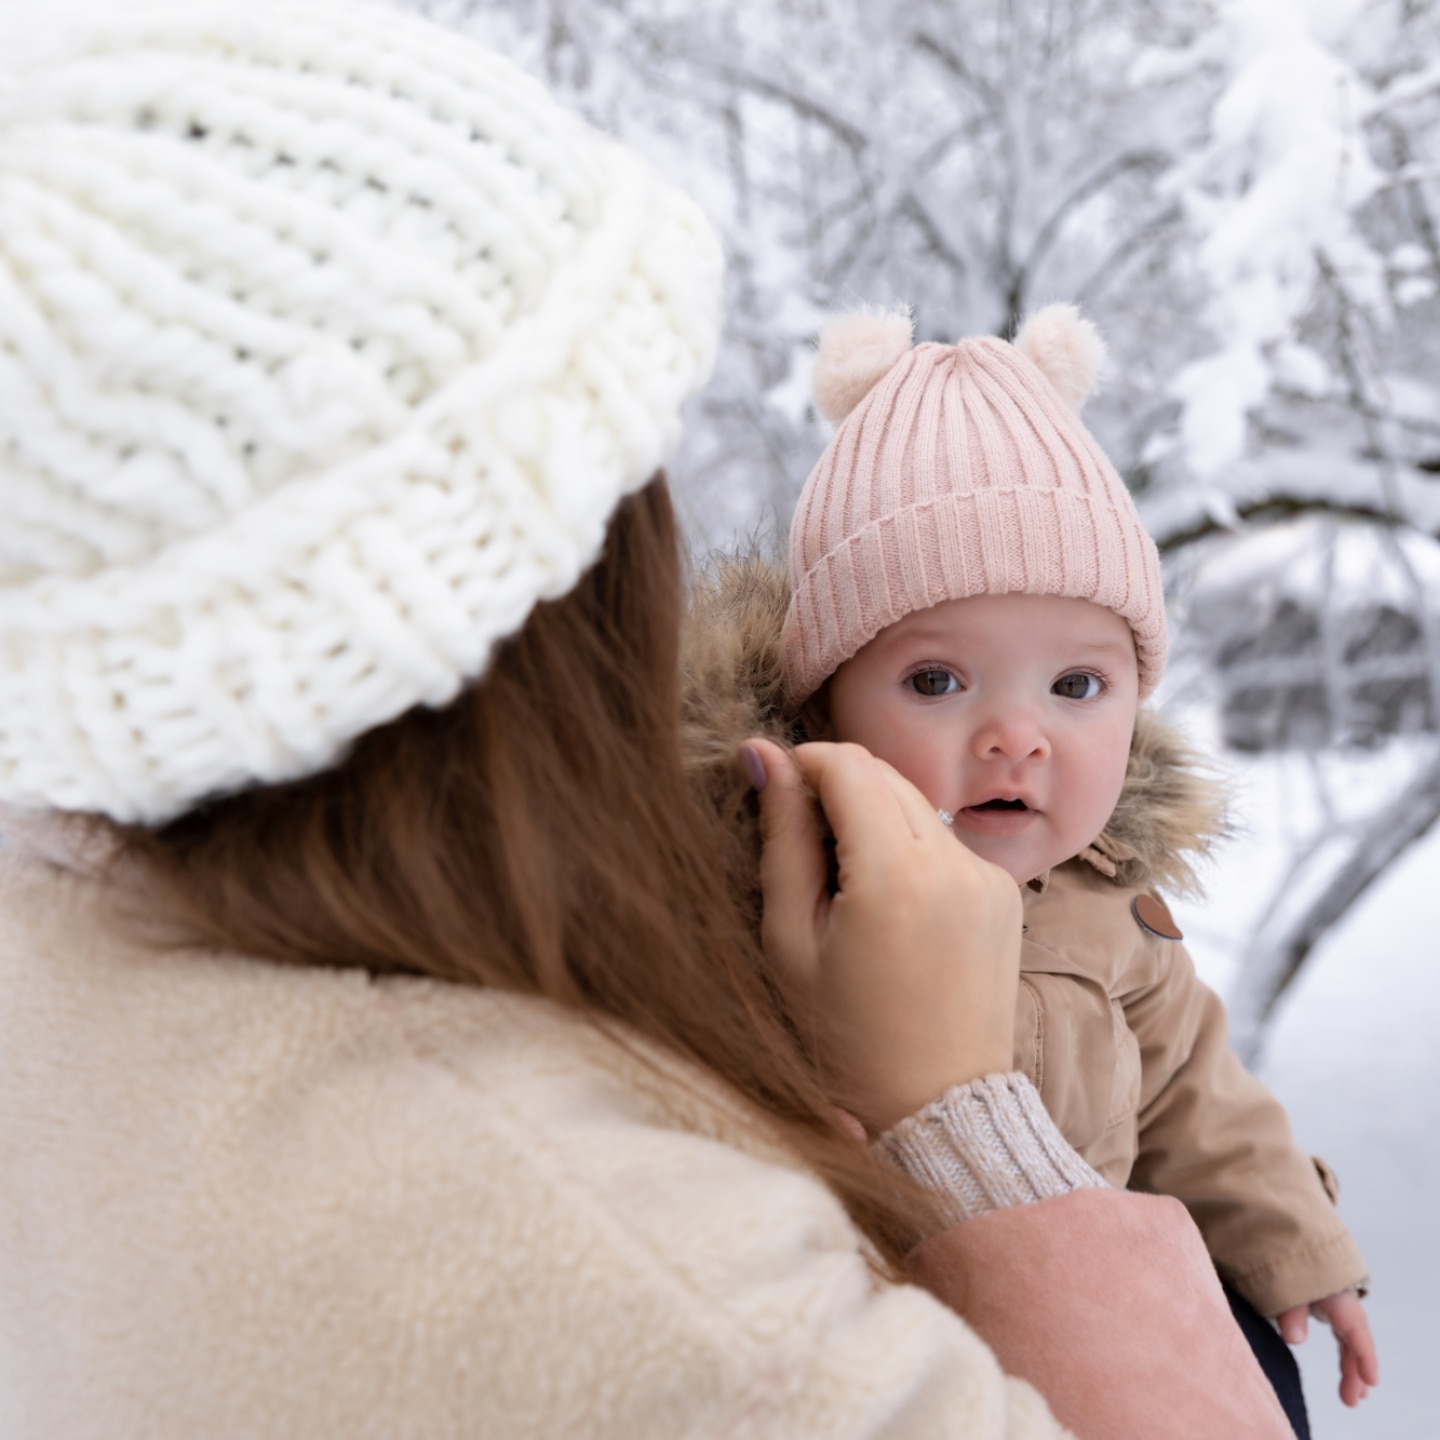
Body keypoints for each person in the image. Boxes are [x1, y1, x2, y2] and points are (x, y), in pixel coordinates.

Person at [0, 3, 1296, 1436]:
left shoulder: (56, 976)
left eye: (1080, 680)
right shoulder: (698, 1315)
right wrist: (965, 1134)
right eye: (632, 446)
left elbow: (1193, 1078)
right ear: (563, 565)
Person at [684, 304, 1378, 1437]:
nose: (1018, 737)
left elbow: (1196, 1096)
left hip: (1085, 1349)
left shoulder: (1110, 909)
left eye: (1076, 687)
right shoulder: (772, 895)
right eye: (937, 683)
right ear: (823, 703)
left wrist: (1295, 1242)